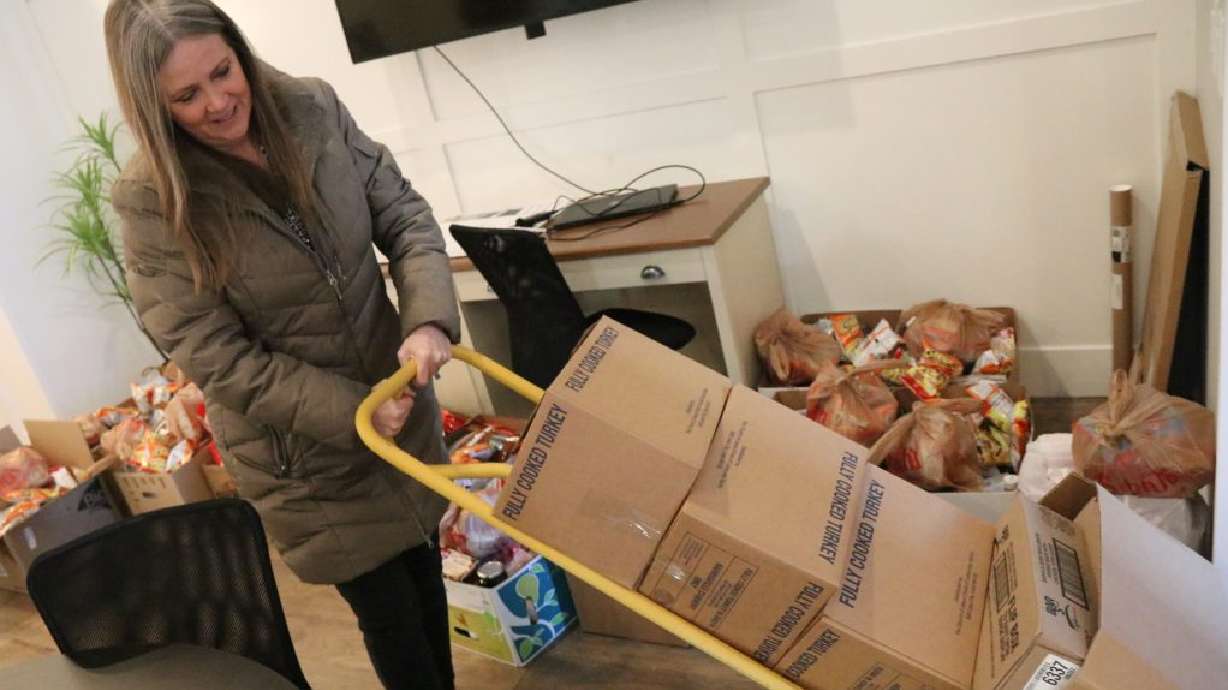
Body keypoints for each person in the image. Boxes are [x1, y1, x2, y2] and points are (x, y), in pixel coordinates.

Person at [104, 2, 459, 688]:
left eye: (222, 72)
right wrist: (353, 412)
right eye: (187, 95)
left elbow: (406, 218)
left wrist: (428, 322)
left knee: (424, 576)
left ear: (239, 51)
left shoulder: (312, 108)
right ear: (154, 106)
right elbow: (215, 355)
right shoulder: (151, 201)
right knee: (389, 613)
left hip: (399, 412)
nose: (217, 103)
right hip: (308, 456)